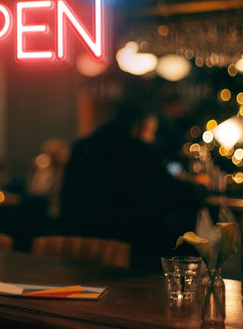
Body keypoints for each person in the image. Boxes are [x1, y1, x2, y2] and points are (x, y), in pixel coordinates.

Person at [59, 102, 204, 270]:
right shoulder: (136, 150)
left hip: (77, 243)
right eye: (150, 131)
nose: (151, 137)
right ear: (140, 126)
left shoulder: (83, 146)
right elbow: (173, 194)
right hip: (125, 248)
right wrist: (199, 187)